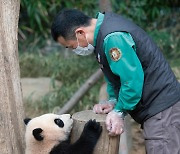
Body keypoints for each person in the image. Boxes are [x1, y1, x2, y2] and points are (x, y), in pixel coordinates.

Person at [51, 9, 180, 153]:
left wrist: (119, 111)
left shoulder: (113, 38)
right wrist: (113, 101)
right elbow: (115, 76)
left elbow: (131, 80)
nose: (73, 50)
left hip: (162, 109)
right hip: (158, 108)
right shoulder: (103, 34)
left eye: (71, 46)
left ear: (80, 33)